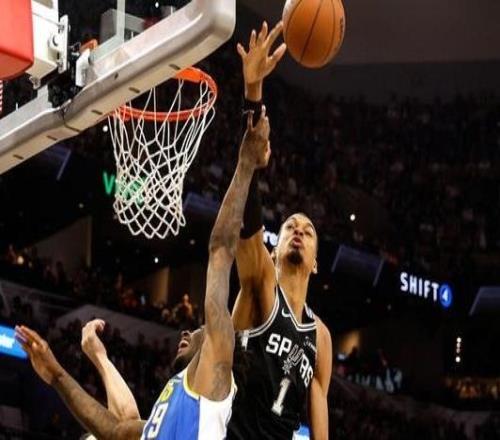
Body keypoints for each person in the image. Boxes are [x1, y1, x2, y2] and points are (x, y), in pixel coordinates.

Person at [15, 106, 272, 440]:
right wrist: (56, 374)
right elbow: (116, 430)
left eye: (198, 329)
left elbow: (221, 249)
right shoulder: (171, 399)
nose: (186, 331)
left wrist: (246, 164)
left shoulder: (217, 364)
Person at [227, 22, 333, 439]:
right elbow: (247, 224)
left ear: (316, 263)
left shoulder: (321, 336)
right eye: (290, 226)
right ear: (274, 250)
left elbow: (318, 414)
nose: (299, 231)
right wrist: (253, 95)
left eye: (308, 230)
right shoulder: (261, 284)